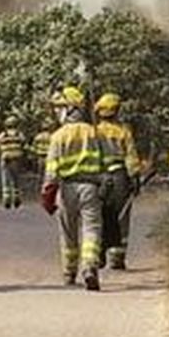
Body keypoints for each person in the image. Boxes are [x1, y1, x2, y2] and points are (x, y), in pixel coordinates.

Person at [40, 86, 109, 290]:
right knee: (92, 229)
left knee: (68, 232)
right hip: (91, 188)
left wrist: (47, 197)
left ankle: (69, 272)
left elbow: (51, 172)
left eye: (60, 108)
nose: (57, 112)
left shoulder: (58, 136)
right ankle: (89, 267)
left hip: (67, 189)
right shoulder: (94, 132)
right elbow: (104, 163)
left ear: (70, 109)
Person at [93, 92, 140, 271]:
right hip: (120, 176)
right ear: (116, 110)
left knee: (99, 215)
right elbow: (131, 156)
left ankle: (99, 253)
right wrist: (135, 177)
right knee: (122, 216)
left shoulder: (94, 132)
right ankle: (117, 258)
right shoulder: (124, 131)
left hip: (100, 177)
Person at [0, 115, 27, 209]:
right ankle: (16, 199)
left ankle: (6, 200)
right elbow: (24, 146)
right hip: (16, 160)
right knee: (16, 180)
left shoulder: (2, 135)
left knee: (5, 180)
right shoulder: (19, 134)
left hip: (5, 160)